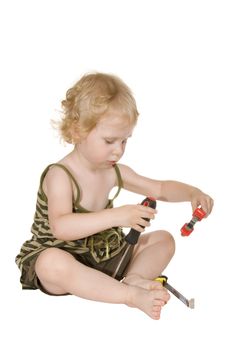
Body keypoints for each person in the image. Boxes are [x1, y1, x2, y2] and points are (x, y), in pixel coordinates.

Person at [15, 72, 214, 320]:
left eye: (124, 141)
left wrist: (192, 193)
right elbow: (61, 227)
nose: (118, 150)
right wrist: (117, 216)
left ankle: (133, 278)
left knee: (163, 240)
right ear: (78, 131)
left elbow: (160, 189)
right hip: (64, 256)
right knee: (50, 263)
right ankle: (128, 295)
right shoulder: (60, 175)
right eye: (109, 140)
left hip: (105, 256)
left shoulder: (113, 172)